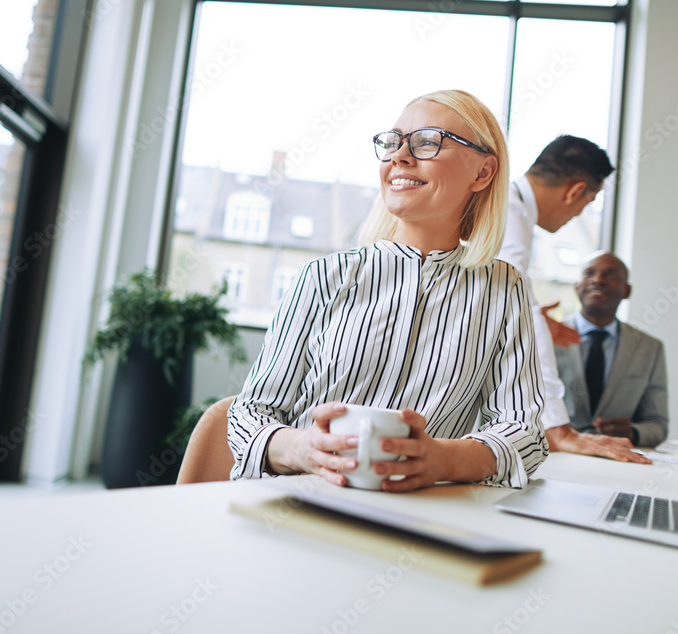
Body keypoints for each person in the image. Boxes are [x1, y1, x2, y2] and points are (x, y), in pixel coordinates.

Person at [225, 89, 548, 492]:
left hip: (418, 521)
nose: (399, 156)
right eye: (392, 142)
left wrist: (444, 460)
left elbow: (525, 433)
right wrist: (301, 448)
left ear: (482, 173)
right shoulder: (325, 276)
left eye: (427, 142)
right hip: (299, 506)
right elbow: (249, 414)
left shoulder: (504, 288)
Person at [499, 136, 650, 464]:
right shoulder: (508, 214)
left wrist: (531, 318)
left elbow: (506, 305)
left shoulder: (511, 209)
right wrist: (558, 429)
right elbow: (518, 312)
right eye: (588, 201)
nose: (579, 213)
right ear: (574, 191)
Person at [554, 252, 669, 446]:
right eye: (589, 273)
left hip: (616, 459)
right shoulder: (546, 337)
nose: (598, 280)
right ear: (577, 287)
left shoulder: (650, 348)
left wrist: (633, 432)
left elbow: (658, 425)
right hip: (555, 454)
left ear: (627, 291)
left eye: (610, 275)